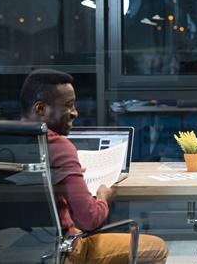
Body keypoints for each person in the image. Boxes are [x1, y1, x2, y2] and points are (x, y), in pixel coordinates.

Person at [20, 69, 168, 264]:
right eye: (68, 105)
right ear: (40, 109)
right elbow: (90, 219)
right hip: (65, 251)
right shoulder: (58, 147)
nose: (75, 112)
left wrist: (65, 179)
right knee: (155, 248)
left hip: (16, 250)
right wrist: (103, 197)